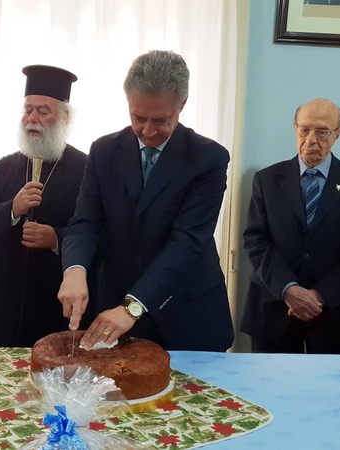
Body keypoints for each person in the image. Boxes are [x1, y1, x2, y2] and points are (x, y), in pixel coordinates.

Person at [58, 50, 233, 351]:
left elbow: (188, 241)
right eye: (138, 118)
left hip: (186, 312)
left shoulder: (208, 158)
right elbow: (85, 222)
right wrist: (74, 269)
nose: (148, 131)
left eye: (161, 120)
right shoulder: (104, 152)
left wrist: (133, 307)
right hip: (114, 307)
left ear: (182, 104)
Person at [0, 65, 93, 347]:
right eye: (28, 110)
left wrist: (56, 239)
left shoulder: (86, 170)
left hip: (56, 304)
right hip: (5, 305)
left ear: (65, 118)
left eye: (43, 111)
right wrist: (11, 210)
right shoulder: (4, 168)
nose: (32, 119)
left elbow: (98, 230)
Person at [241, 98, 340, 354]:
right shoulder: (266, 180)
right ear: (294, 128)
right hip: (274, 311)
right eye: (304, 130)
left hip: (335, 314)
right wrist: (289, 290)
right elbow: (256, 241)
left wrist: (319, 296)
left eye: (322, 132)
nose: (310, 140)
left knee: (333, 382)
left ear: (337, 134)